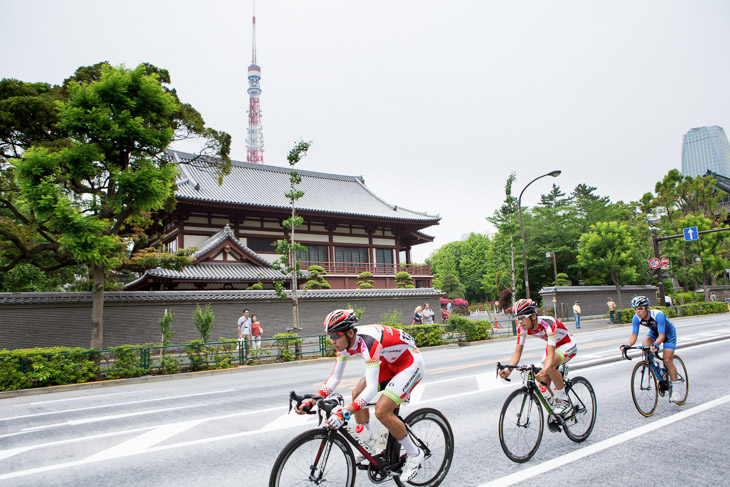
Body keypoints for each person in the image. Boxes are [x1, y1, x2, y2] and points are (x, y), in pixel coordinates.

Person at [294, 309, 426, 481]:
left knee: (381, 411)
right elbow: (335, 378)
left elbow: (371, 389)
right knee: (356, 392)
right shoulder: (344, 344)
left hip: (410, 363)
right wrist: (313, 400)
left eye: (335, 336)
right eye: (329, 336)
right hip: (389, 363)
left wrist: (345, 413)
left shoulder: (369, 342)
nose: (332, 341)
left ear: (349, 333)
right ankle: (368, 447)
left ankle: (415, 454)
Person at [499, 299, 578, 414]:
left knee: (549, 367)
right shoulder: (522, 329)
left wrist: (545, 370)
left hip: (567, 344)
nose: (519, 322)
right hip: (553, 346)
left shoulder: (548, 324)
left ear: (534, 316)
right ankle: (556, 406)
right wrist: (508, 371)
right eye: (517, 318)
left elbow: (550, 356)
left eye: (522, 317)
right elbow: (517, 353)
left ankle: (564, 400)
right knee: (542, 384)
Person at [620, 296, 681, 403]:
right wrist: (628, 345)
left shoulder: (658, 315)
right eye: (635, 309)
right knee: (645, 344)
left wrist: (656, 344)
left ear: (647, 308)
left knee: (667, 360)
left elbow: (662, 336)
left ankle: (676, 390)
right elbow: (634, 336)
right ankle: (656, 367)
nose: (637, 312)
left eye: (640, 308)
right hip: (654, 333)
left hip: (668, 334)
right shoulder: (636, 318)